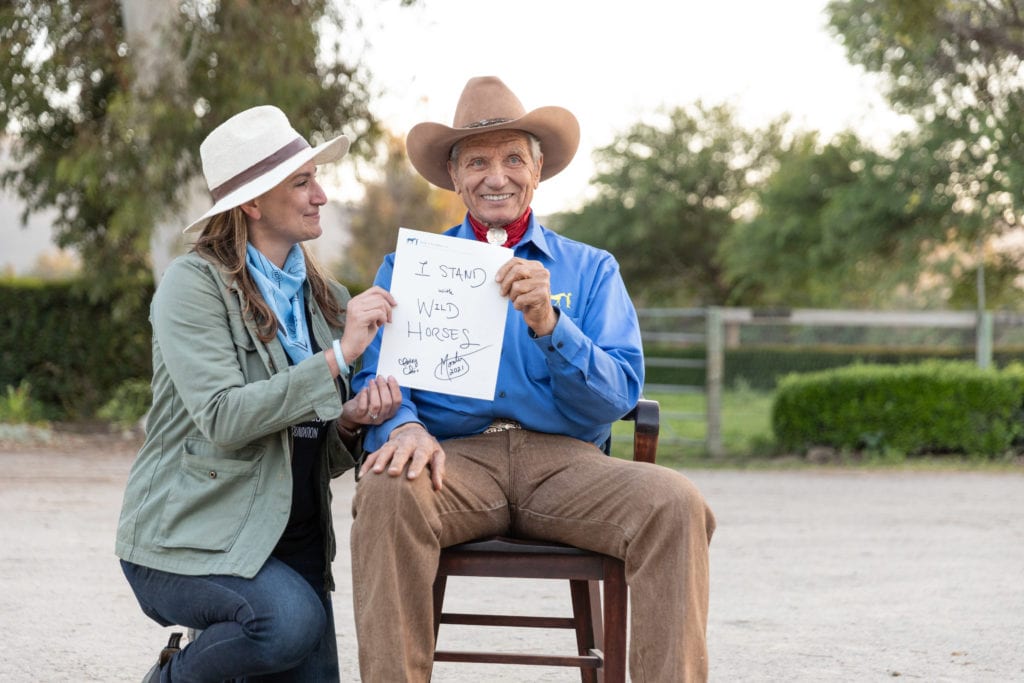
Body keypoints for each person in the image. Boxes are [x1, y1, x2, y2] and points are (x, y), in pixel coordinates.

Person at [350, 76, 717, 682]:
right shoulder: (412, 266)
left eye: (513, 158)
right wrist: (403, 425)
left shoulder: (592, 268)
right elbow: (376, 374)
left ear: (538, 170)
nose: (497, 176)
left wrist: (552, 325)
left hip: (569, 466)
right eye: (478, 162)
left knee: (676, 504)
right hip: (453, 464)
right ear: (455, 176)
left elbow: (618, 394)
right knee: (388, 490)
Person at [115, 105, 400, 682]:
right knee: (287, 623)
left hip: (295, 542)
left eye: (316, 178)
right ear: (251, 203)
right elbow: (222, 417)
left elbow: (312, 440)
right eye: (302, 181)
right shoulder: (191, 286)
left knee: (295, 624)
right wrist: (338, 356)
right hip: (191, 539)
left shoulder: (327, 298)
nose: (321, 194)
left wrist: (348, 422)